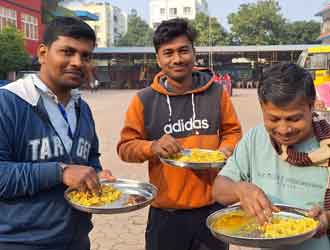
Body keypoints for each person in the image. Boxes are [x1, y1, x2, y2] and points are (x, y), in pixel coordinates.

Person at [117, 18, 242, 250]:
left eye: (184, 50)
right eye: (168, 53)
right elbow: (125, 148)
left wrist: (226, 149)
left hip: (212, 208)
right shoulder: (143, 100)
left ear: (194, 53)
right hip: (166, 213)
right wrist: (151, 147)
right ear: (158, 59)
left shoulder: (216, 93)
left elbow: (233, 132)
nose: (177, 59)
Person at [0, 17, 113, 250]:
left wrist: (98, 173)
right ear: (43, 53)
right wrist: (60, 172)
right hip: (19, 242)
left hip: (76, 240)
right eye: (67, 52)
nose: (77, 62)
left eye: (85, 56)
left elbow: (89, 157)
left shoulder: (82, 108)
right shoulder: (8, 103)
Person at [213, 63, 330, 250]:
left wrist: (326, 218)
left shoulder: (327, 145)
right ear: (261, 107)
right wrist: (239, 189)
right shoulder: (256, 138)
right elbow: (219, 189)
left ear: (311, 105)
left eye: (294, 119)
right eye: (273, 119)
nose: (284, 130)